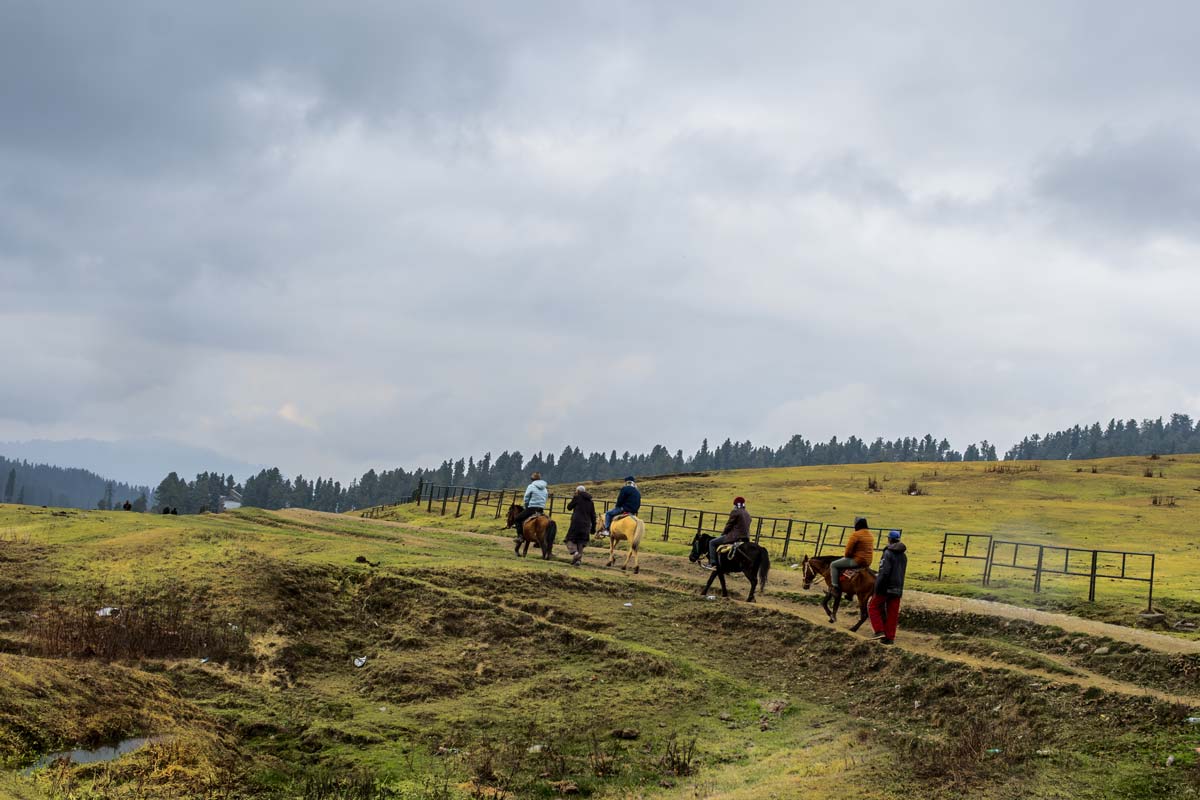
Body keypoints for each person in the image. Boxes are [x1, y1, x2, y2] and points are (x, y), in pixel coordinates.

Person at [868, 530, 907, 644]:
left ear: (889, 539)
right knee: (892, 613)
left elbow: (884, 572)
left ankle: (879, 631)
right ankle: (890, 638)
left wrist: (878, 587)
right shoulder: (904, 556)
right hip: (898, 588)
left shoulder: (888, 553)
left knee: (872, 606)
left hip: (885, 588)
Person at [829, 517, 873, 599]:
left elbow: (848, 551)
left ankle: (835, 587)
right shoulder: (870, 534)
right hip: (867, 561)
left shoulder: (856, 534)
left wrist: (847, 556)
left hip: (857, 561)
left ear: (857, 525)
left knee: (833, 565)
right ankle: (850, 593)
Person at [707, 496, 751, 569]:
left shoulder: (735, 512)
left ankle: (713, 563)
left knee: (712, 542)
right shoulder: (747, 513)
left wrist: (724, 533)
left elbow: (729, 524)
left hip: (735, 537)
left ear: (736, 504)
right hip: (746, 537)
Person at [512, 472, 549, 543]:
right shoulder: (545, 488)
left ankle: (520, 537)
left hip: (532, 508)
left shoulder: (531, 486)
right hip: (540, 509)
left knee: (517, 519)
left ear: (532, 479)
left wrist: (526, 505)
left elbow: (526, 497)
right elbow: (546, 497)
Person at [565, 485, 596, 566]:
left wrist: (574, 497)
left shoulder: (577, 498)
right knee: (581, 542)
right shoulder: (591, 501)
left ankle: (575, 553)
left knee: (569, 539)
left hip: (576, 523)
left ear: (578, 491)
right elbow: (593, 515)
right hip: (586, 524)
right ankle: (578, 561)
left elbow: (569, 507)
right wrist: (593, 527)